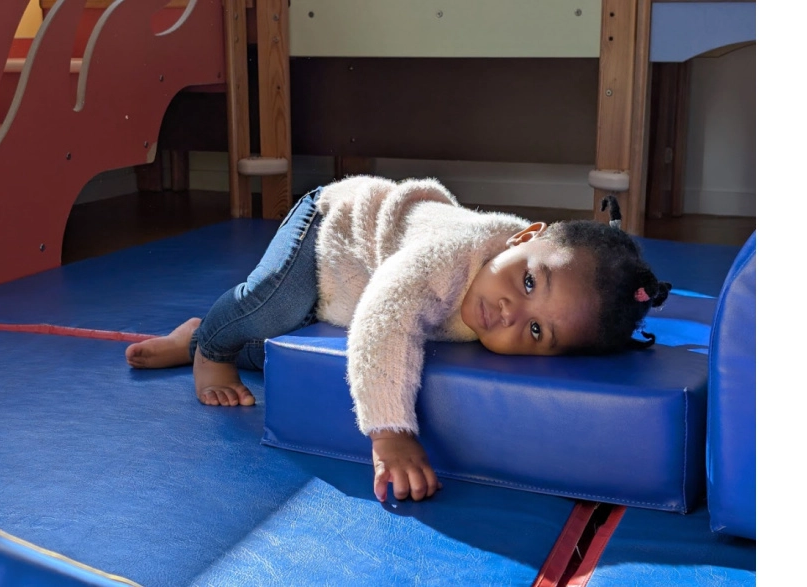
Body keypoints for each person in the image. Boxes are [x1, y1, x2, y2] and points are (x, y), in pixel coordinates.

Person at [125, 175, 671, 503]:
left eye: (536, 330)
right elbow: (386, 317)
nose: (509, 311)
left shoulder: (505, 288)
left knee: (289, 353)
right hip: (333, 228)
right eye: (528, 281)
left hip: (349, 292)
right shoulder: (452, 253)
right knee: (272, 302)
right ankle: (214, 352)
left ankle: (196, 336)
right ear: (524, 236)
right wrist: (390, 432)